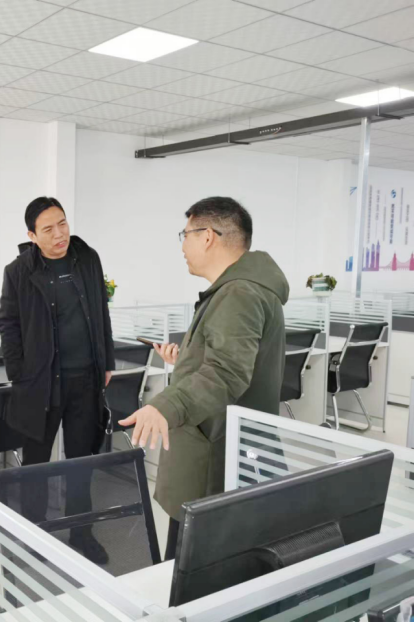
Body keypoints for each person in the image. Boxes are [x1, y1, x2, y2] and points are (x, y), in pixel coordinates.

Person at [119, 197, 289, 561]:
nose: (183, 246)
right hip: (226, 450)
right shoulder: (243, 289)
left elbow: (227, 371)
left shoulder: (239, 293)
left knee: (193, 571)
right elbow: (231, 360)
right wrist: (187, 359)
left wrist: (165, 405)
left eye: (185, 235)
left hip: (215, 460)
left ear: (208, 236)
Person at [0, 197, 115, 564]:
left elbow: (100, 310)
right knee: (37, 464)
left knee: (81, 462)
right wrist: (19, 373)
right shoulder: (18, 271)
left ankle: (82, 532)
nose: (59, 234)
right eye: (48, 229)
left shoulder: (87, 258)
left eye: (62, 223)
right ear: (32, 235)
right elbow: (8, 324)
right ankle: (35, 535)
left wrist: (106, 361)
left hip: (85, 379)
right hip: (40, 383)